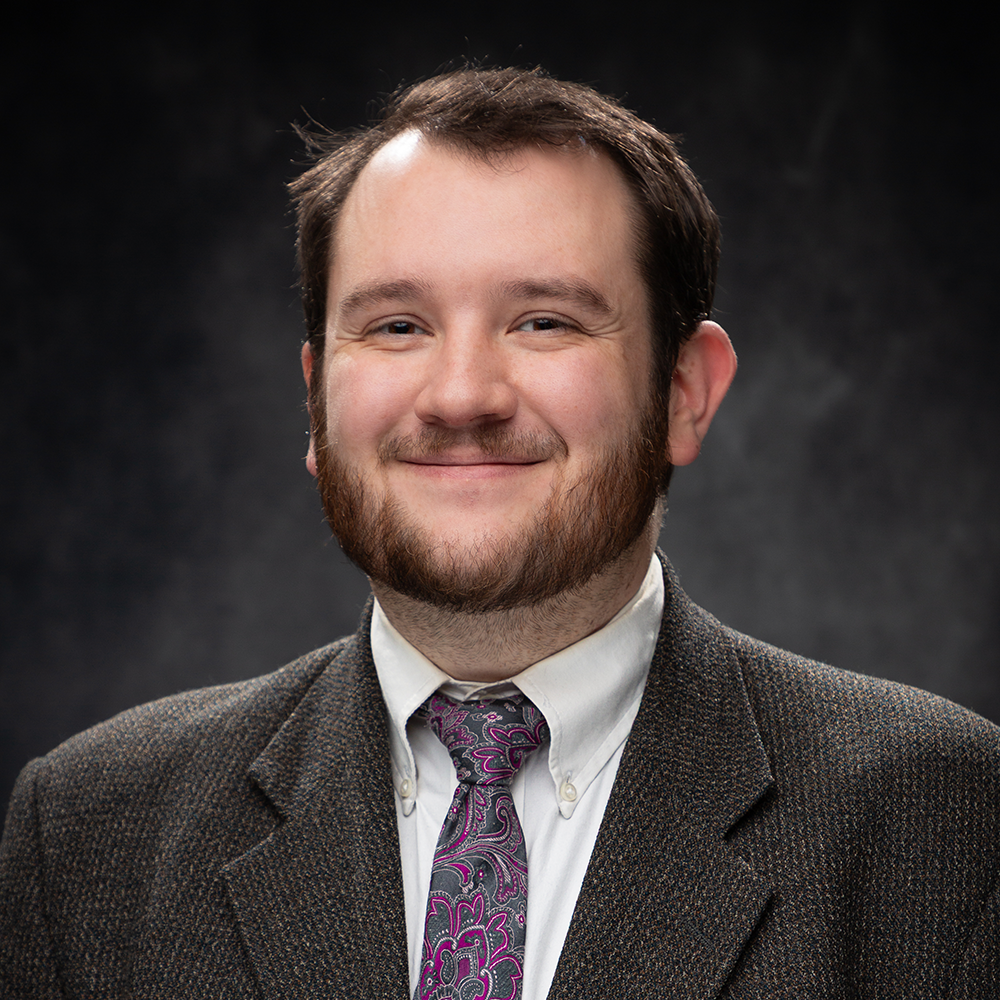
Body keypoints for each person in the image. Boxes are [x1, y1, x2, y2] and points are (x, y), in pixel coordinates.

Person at [1, 66, 997, 999]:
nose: (462, 395)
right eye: (396, 325)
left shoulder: (950, 821)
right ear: (314, 400)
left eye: (545, 321)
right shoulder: (88, 835)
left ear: (685, 392)